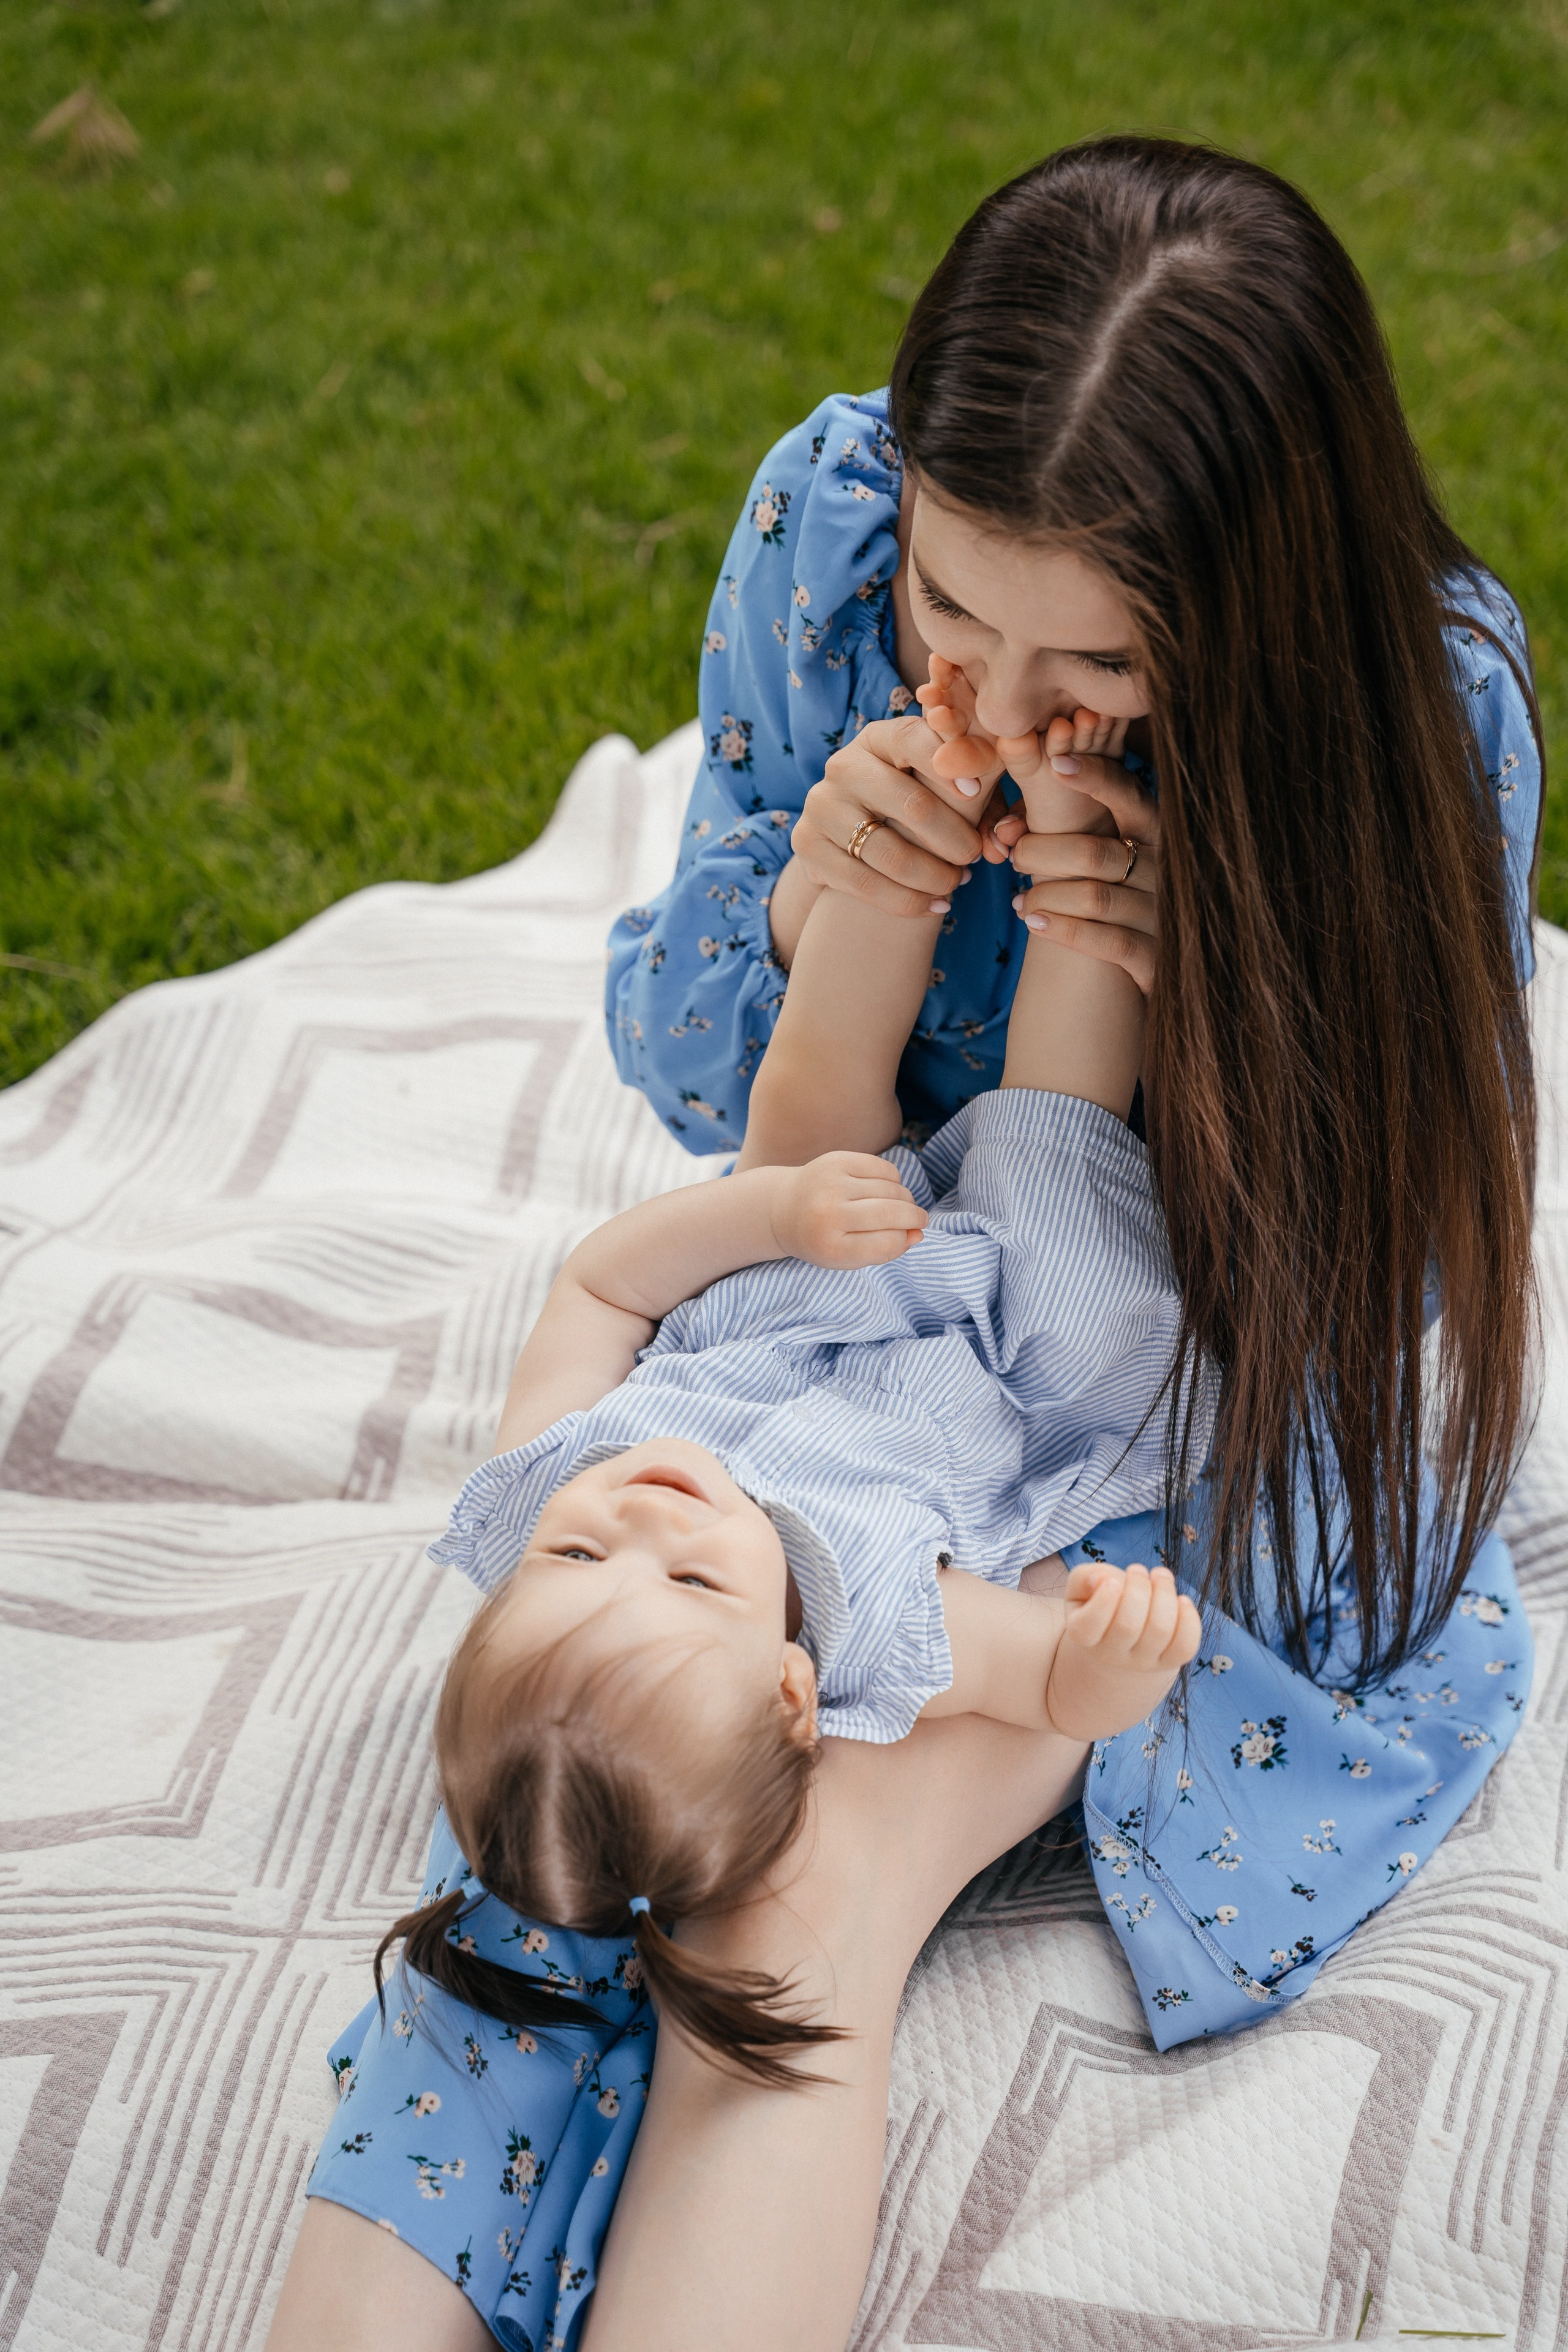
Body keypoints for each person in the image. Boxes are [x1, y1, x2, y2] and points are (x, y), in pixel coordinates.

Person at [266, 134, 1540, 2351]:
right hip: (839, 1317)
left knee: (789, 1902)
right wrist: (809, 908)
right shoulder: (833, 525)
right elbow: (702, 1072)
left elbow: (1392, 1258)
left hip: (1139, 1410)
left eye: (1099, 663)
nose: (998, 710)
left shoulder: (1420, 705)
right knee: (526, 1912)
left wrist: (1204, 997)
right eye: (955, 616)